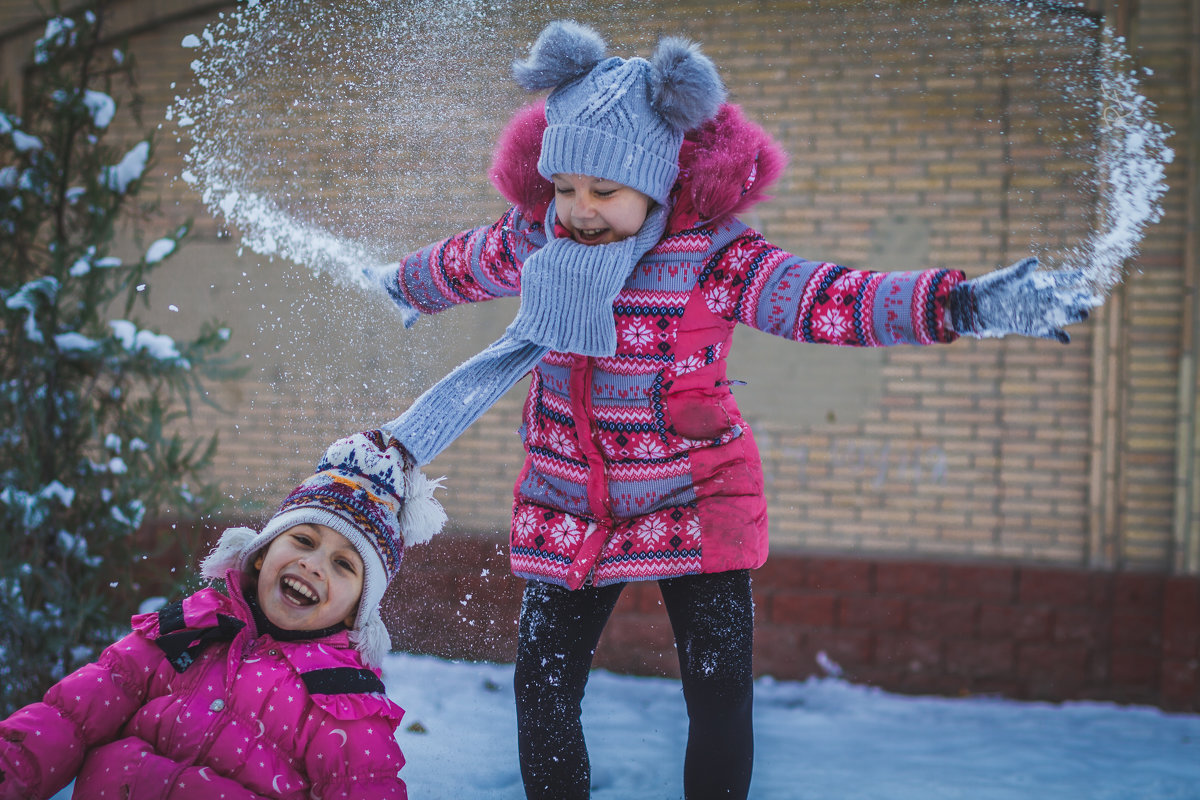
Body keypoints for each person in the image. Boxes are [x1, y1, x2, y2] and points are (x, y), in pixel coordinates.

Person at [374, 20, 1096, 800]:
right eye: (565, 187)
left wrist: (956, 306)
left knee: (717, 695)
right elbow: (458, 264)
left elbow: (827, 298)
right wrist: (397, 284)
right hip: (570, 500)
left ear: (654, 181)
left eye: (604, 192)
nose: (579, 210)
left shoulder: (716, 257)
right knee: (542, 691)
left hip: (698, 499)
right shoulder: (535, 243)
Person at [0, 429, 446, 800]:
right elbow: (70, 717)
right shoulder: (187, 631)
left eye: (344, 564)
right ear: (260, 554)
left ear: (357, 612)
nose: (313, 564)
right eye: (304, 540)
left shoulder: (345, 703)